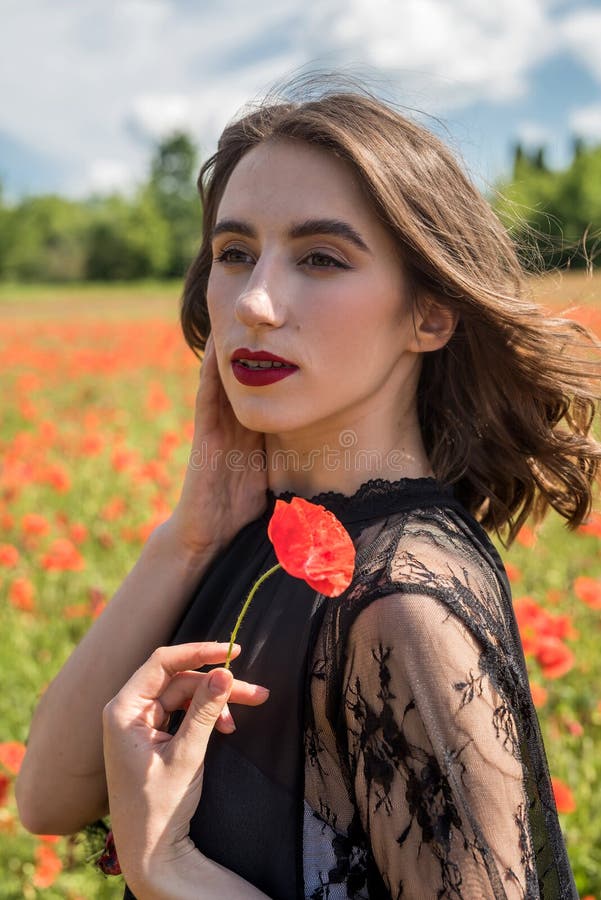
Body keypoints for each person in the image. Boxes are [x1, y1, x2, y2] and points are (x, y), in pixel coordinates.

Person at [16, 83, 600, 899]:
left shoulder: (399, 601)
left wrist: (172, 873)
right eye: (233, 253)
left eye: (321, 258)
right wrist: (190, 536)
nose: (253, 303)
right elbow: (47, 799)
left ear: (429, 315)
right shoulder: (245, 537)